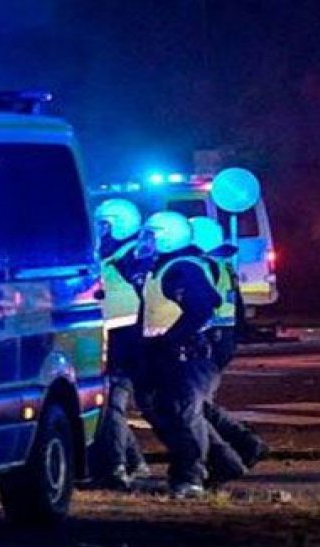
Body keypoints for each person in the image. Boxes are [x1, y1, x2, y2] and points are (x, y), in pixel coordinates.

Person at [138, 211, 233, 498]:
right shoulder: (169, 266)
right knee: (167, 409)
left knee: (184, 415)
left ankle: (189, 478)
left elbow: (203, 307)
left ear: (168, 238)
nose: (146, 242)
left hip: (186, 355)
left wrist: (172, 339)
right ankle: (224, 463)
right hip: (170, 355)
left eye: (151, 236)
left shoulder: (182, 269)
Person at [189, 217, 271, 476]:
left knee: (193, 404)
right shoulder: (223, 267)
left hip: (209, 341)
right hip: (221, 340)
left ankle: (242, 448)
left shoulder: (204, 268)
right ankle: (243, 445)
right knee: (198, 403)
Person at [86, 199, 151, 490]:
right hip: (111, 339)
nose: (98, 230)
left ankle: (115, 469)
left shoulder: (129, 257)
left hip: (124, 342)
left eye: (104, 224)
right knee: (109, 407)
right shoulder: (113, 255)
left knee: (112, 407)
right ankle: (135, 462)